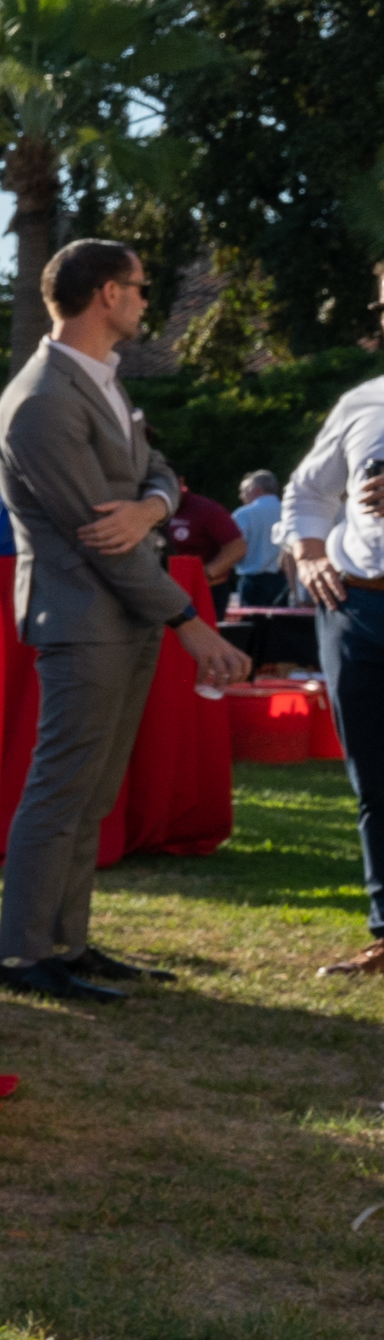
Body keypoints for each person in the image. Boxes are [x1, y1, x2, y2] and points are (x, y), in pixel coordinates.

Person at [0, 240, 248, 1003]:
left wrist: (150, 504)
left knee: (92, 795)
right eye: (138, 286)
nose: (144, 299)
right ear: (105, 293)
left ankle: (63, 943)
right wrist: (189, 622)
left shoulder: (100, 381)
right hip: (80, 616)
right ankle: (25, 955)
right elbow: (94, 539)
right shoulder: (41, 399)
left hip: (118, 615)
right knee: (61, 790)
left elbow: (157, 474)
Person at [283, 338, 384, 979]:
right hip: (356, 610)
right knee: (374, 782)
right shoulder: (362, 400)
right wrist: (312, 554)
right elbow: (307, 492)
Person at [234, 468, 291, 611]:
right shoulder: (290, 512)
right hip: (285, 580)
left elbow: (234, 548)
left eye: (244, 490)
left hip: (253, 582)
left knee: (254, 629)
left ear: (256, 490)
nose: (241, 496)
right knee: (283, 627)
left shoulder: (243, 515)